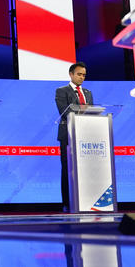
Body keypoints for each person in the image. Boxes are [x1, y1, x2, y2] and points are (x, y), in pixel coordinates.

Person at [55, 62, 93, 211]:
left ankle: (86, 201)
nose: (82, 77)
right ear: (71, 74)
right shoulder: (61, 91)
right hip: (68, 135)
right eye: (79, 74)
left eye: (84, 75)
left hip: (86, 135)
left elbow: (92, 111)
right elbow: (64, 112)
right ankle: (67, 203)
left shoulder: (88, 93)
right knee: (67, 169)